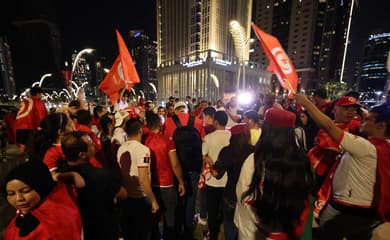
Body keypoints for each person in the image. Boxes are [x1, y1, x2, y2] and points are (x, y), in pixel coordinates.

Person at [295, 94, 390, 239]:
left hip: (348, 208)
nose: (361, 119)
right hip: (361, 208)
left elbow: (328, 126)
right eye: (347, 108)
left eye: (368, 119)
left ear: (381, 126)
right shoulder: (383, 147)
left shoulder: (366, 147)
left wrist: (306, 103)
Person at [235, 108, 314, 240]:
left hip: (254, 233)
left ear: (267, 130)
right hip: (288, 232)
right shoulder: (303, 163)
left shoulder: (253, 161)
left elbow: (242, 198)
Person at [60, 131, 127, 240]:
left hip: (77, 231)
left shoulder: (60, 174)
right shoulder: (101, 175)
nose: (94, 145)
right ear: (82, 154)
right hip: (102, 229)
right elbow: (123, 194)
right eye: (90, 144)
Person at [4, 161, 83, 239]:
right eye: (11, 194)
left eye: (25, 191)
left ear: (41, 186)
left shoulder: (41, 225)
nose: (19, 199)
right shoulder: (61, 194)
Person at [144, 112, 186, 239]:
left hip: (150, 184)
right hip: (167, 183)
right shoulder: (167, 140)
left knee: (153, 218)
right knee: (170, 217)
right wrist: (181, 181)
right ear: (159, 125)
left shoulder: (144, 140)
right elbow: (175, 164)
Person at [117, 118, 160, 240]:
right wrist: (153, 200)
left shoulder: (121, 148)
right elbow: (143, 179)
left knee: (129, 232)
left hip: (126, 197)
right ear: (141, 130)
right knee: (142, 232)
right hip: (140, 198)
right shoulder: (143, 150)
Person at [211, 123, 254, 240]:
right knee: (245, 227)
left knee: (229, 225)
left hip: (231, 194)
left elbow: (215, 173)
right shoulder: (253, 151)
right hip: (248, 194)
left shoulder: (227, 151)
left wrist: (210, 163)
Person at [202, 111, 231, 240]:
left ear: (216, 122)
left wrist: (207, 158)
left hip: (212, 181)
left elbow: (203, 155)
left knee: (212, 210)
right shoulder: (232, 136)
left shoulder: (208, 137)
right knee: (226, 210)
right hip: (227, 180)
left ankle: (213, 235)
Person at [26, 112, 75, 180]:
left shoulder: (66, 145)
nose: (74, 127)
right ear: (61, 132)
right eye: (70, 125)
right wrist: (73, 175)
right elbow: (51, 175)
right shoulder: (53, 152)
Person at [15, 87, 48, 151]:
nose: (42, 96)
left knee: (23, 145)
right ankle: (29, 157)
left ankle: (23, 158)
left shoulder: (25, 101)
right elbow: (41, 117)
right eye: (41, 94)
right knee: (32, 144)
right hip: (32, 127)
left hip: (20, 126)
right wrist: (41, 127)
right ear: (38, 94)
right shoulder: (39, 103)